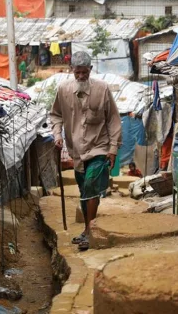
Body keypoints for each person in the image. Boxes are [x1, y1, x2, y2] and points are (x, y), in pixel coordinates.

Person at [50, 51, 122, 251]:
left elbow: (114, 120)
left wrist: (113, 149)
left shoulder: (102, 89)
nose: (81, 76)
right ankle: (87, 228)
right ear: (72, 70)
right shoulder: (63, 90)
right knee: (85, 192)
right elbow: (55, 115)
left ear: (90, 70)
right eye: (77, 72)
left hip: (99, 147)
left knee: (91, 186)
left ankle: (90, 233)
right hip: (77, 150)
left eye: (84, 72)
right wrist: (57, 136)